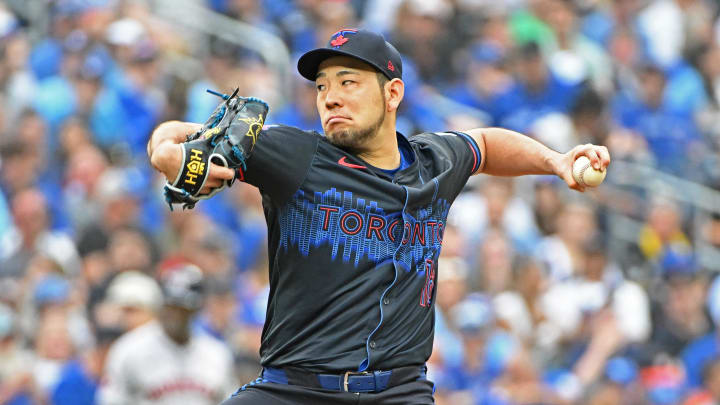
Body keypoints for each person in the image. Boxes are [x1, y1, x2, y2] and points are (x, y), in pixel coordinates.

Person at [146, 29, 610, 405]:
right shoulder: (296, 155)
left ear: (393, 93)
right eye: (322, 86)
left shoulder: (433, 163)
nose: (329, 97)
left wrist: (555, 161)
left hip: (399, 392)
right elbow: (175, 136)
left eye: (348, 82)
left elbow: (485, 146)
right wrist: (169, 154)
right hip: (294, 390)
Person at [98, 264, 235, 405]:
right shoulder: (129, 350)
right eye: (171, 306)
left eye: (183, 309)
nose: (176, 315)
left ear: (196, 310)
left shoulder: (217, 354)